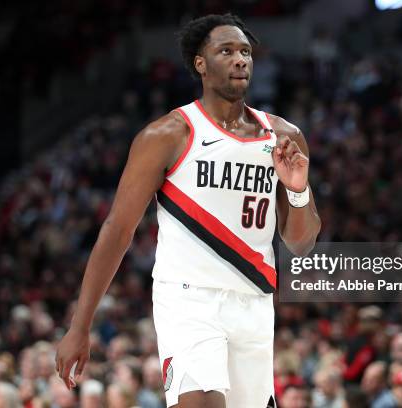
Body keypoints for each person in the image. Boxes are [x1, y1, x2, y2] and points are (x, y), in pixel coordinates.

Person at [54, 13, 321, 408]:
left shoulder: (283, 137)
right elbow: (117, 229)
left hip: (254, 301)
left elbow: (300, 243)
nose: (240, 59)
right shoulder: (167, 135)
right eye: (226, 51)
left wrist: (297, 190)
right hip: (188, 298)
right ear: (200, 63)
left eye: (245, 51)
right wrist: (81, 324)